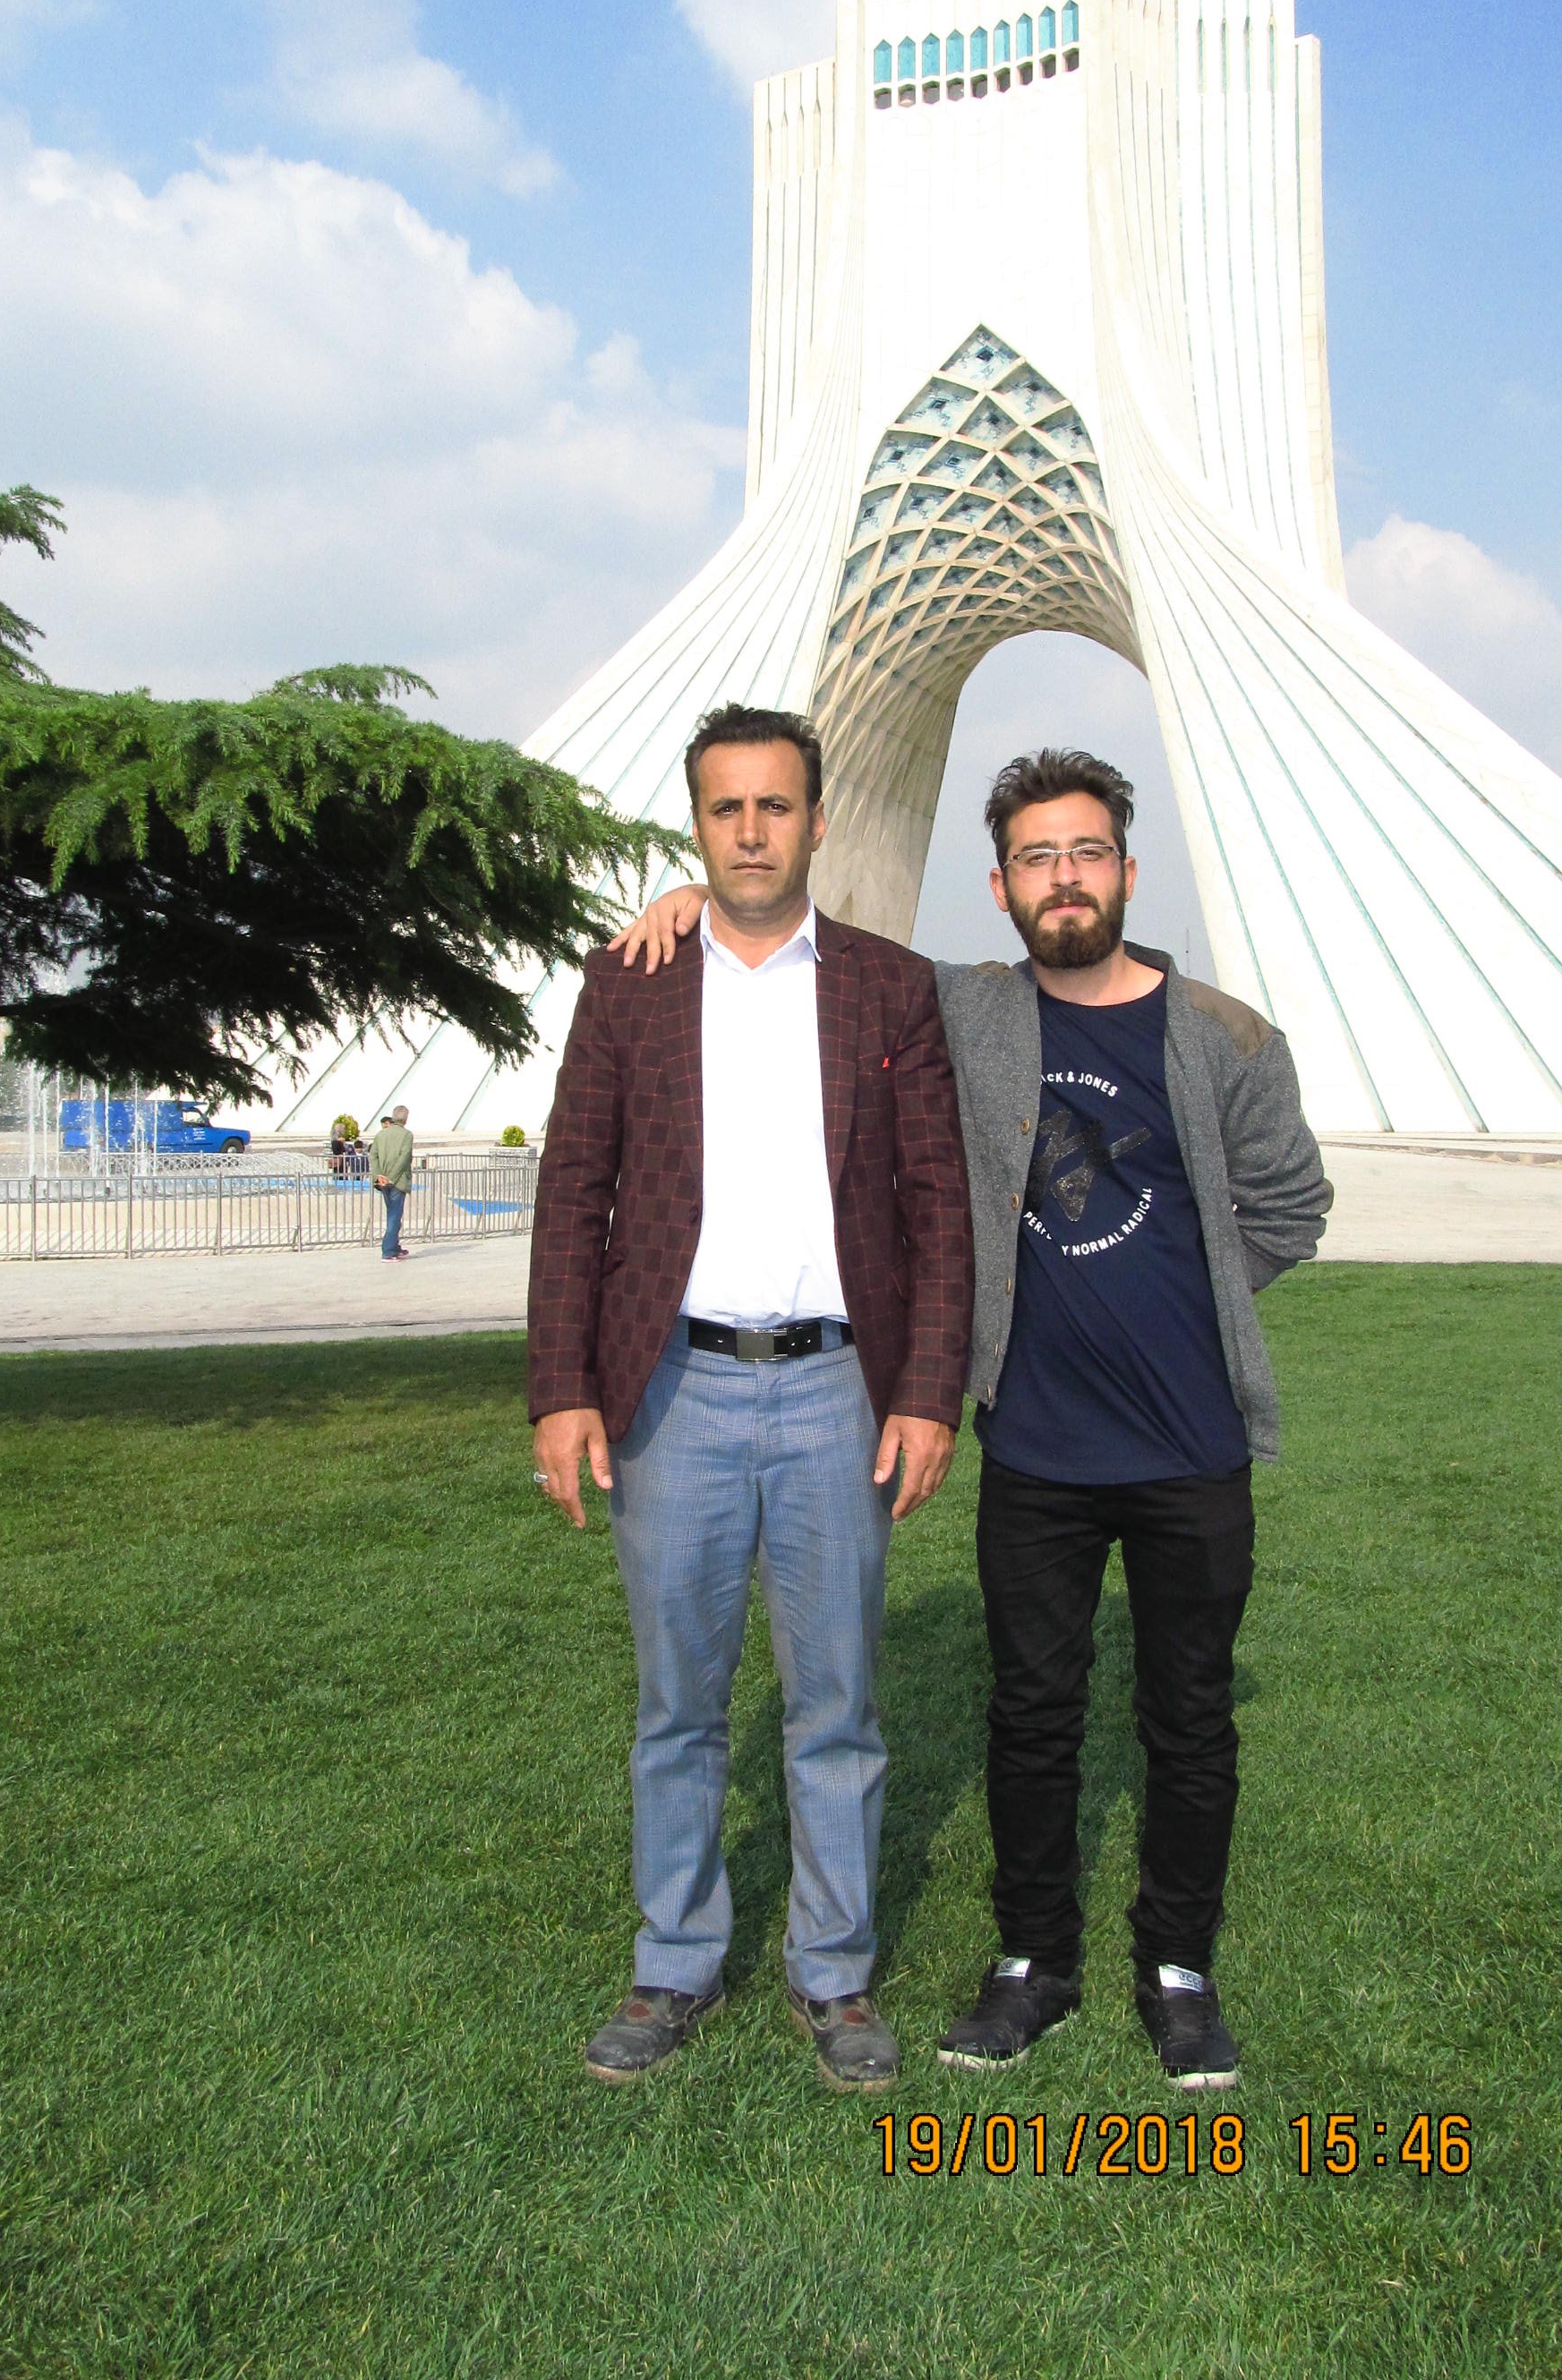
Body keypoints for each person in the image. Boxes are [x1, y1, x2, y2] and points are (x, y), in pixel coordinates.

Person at [611, 747, 1331, 2088]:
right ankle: (1033, 1960)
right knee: (1034, 1714)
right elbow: (803, 947)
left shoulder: (1225, 1036)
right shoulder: (966, 1009)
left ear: (1126, 867)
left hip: (1191, 1447)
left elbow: (1291, 1207)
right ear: (1000, 889)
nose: (1066, 880)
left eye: (1089, 853)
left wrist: (1205, 1298)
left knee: (1189, 1720)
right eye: (1038, 861)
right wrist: (686, 898)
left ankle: (1179, 1969)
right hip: (1041, 1447)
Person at [530, 703, 973, 2094]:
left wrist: (927, 1393)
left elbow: (941, 1211)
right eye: (726, 809)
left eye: (775, 807)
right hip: (675, 1393)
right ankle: (675, 1962)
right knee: (679, 1705)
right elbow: (572, 1199)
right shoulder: (635, 983)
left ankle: (833, 1976)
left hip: (841, 1387)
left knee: (834, 1702)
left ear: (819, 820)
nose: (751, 832)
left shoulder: (891, 991)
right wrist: (562, 1391)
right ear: (697, 825)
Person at [369, 1105, 414, 1259]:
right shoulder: (407, 1135)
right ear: (406, 1119)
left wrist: (378, 1175)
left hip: (382, 1182)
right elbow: (404, 1158)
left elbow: (372, 1156)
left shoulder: (381, 1135)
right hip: (398, 1181)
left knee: (392, 1214)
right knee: (395, 1215)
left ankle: (394, 1247)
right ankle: (388, 1251)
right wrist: (391, 1177)